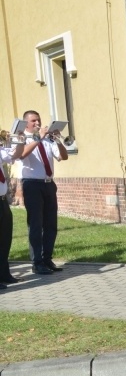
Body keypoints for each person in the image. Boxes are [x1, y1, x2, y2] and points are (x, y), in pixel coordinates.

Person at [18, 110, 68, 275]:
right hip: (32, 184)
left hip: (48, 184)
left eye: (38, 120)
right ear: (26, 123)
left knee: (51, 224)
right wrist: (38, 138)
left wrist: (57, 140)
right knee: (36, 225)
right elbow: (22, 154)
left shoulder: (47, 139)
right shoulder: (22, 139)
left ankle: (47, 259)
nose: (37, 123)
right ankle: (37, 262)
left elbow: (63, 157)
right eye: (33, 121)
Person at [0, 131, 25, 287]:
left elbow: (15, 155)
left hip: (2, 201)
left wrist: (20, 142)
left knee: (5, 239)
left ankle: (4, 274)